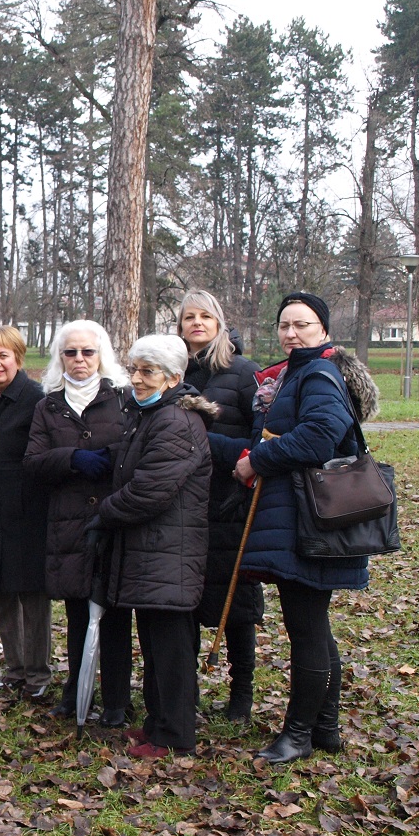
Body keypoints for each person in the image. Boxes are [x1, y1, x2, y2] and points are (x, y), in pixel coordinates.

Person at [230, 292, 377, 763]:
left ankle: (297, 735)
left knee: (307, 628)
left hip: (312, 521)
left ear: (324, 331)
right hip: (301, 520)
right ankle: (326, 728)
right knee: (314, 626)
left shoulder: (317, 373)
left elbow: (320, 435)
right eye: (285, 325)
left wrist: (258, 460)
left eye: (303, 325)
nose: (292, 333)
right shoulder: (297, 373)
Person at [86, 335, 215, 759]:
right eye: (135, 369)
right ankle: (158, 724)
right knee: (158, 646)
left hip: (168, 550)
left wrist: (104, 513)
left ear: (174, 377)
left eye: (148, 371)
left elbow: (149, 490)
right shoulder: (154, 414)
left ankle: (175, 735)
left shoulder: (176, 422)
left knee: (172, 649)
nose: (137, 379)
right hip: (153, 549)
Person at [24, 321, 132, 720]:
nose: (80, 360)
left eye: (88, 352)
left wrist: (111, 457)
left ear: (101, 354)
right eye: (71, 352)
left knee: (116, 613)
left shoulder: (123, 398)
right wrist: (71, 458)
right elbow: (33, 461)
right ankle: (73, 694)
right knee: (75, 614)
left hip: (113, 516)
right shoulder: (48, 404)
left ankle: (118, 701)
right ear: (60, 357)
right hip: (68, 522)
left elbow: (138, 447)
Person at [177, 290, 263, 722]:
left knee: (237, 603)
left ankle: (241, 695)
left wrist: (210, 446)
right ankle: (184, 692)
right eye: (189, 317)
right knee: (185, 599)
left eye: (205, 316)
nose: (197, 323)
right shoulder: (172, 373)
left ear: (219, 322)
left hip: (230, 500)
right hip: (182, 505)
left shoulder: (244, 373)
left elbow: (259, 442)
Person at [0, 325, 50, 700]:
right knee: (0, 592)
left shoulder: (36, 399)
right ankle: (14, 668)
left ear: (18, 357)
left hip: (27, 510)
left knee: (31, 597)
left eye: (3, 355)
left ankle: (38, 674)